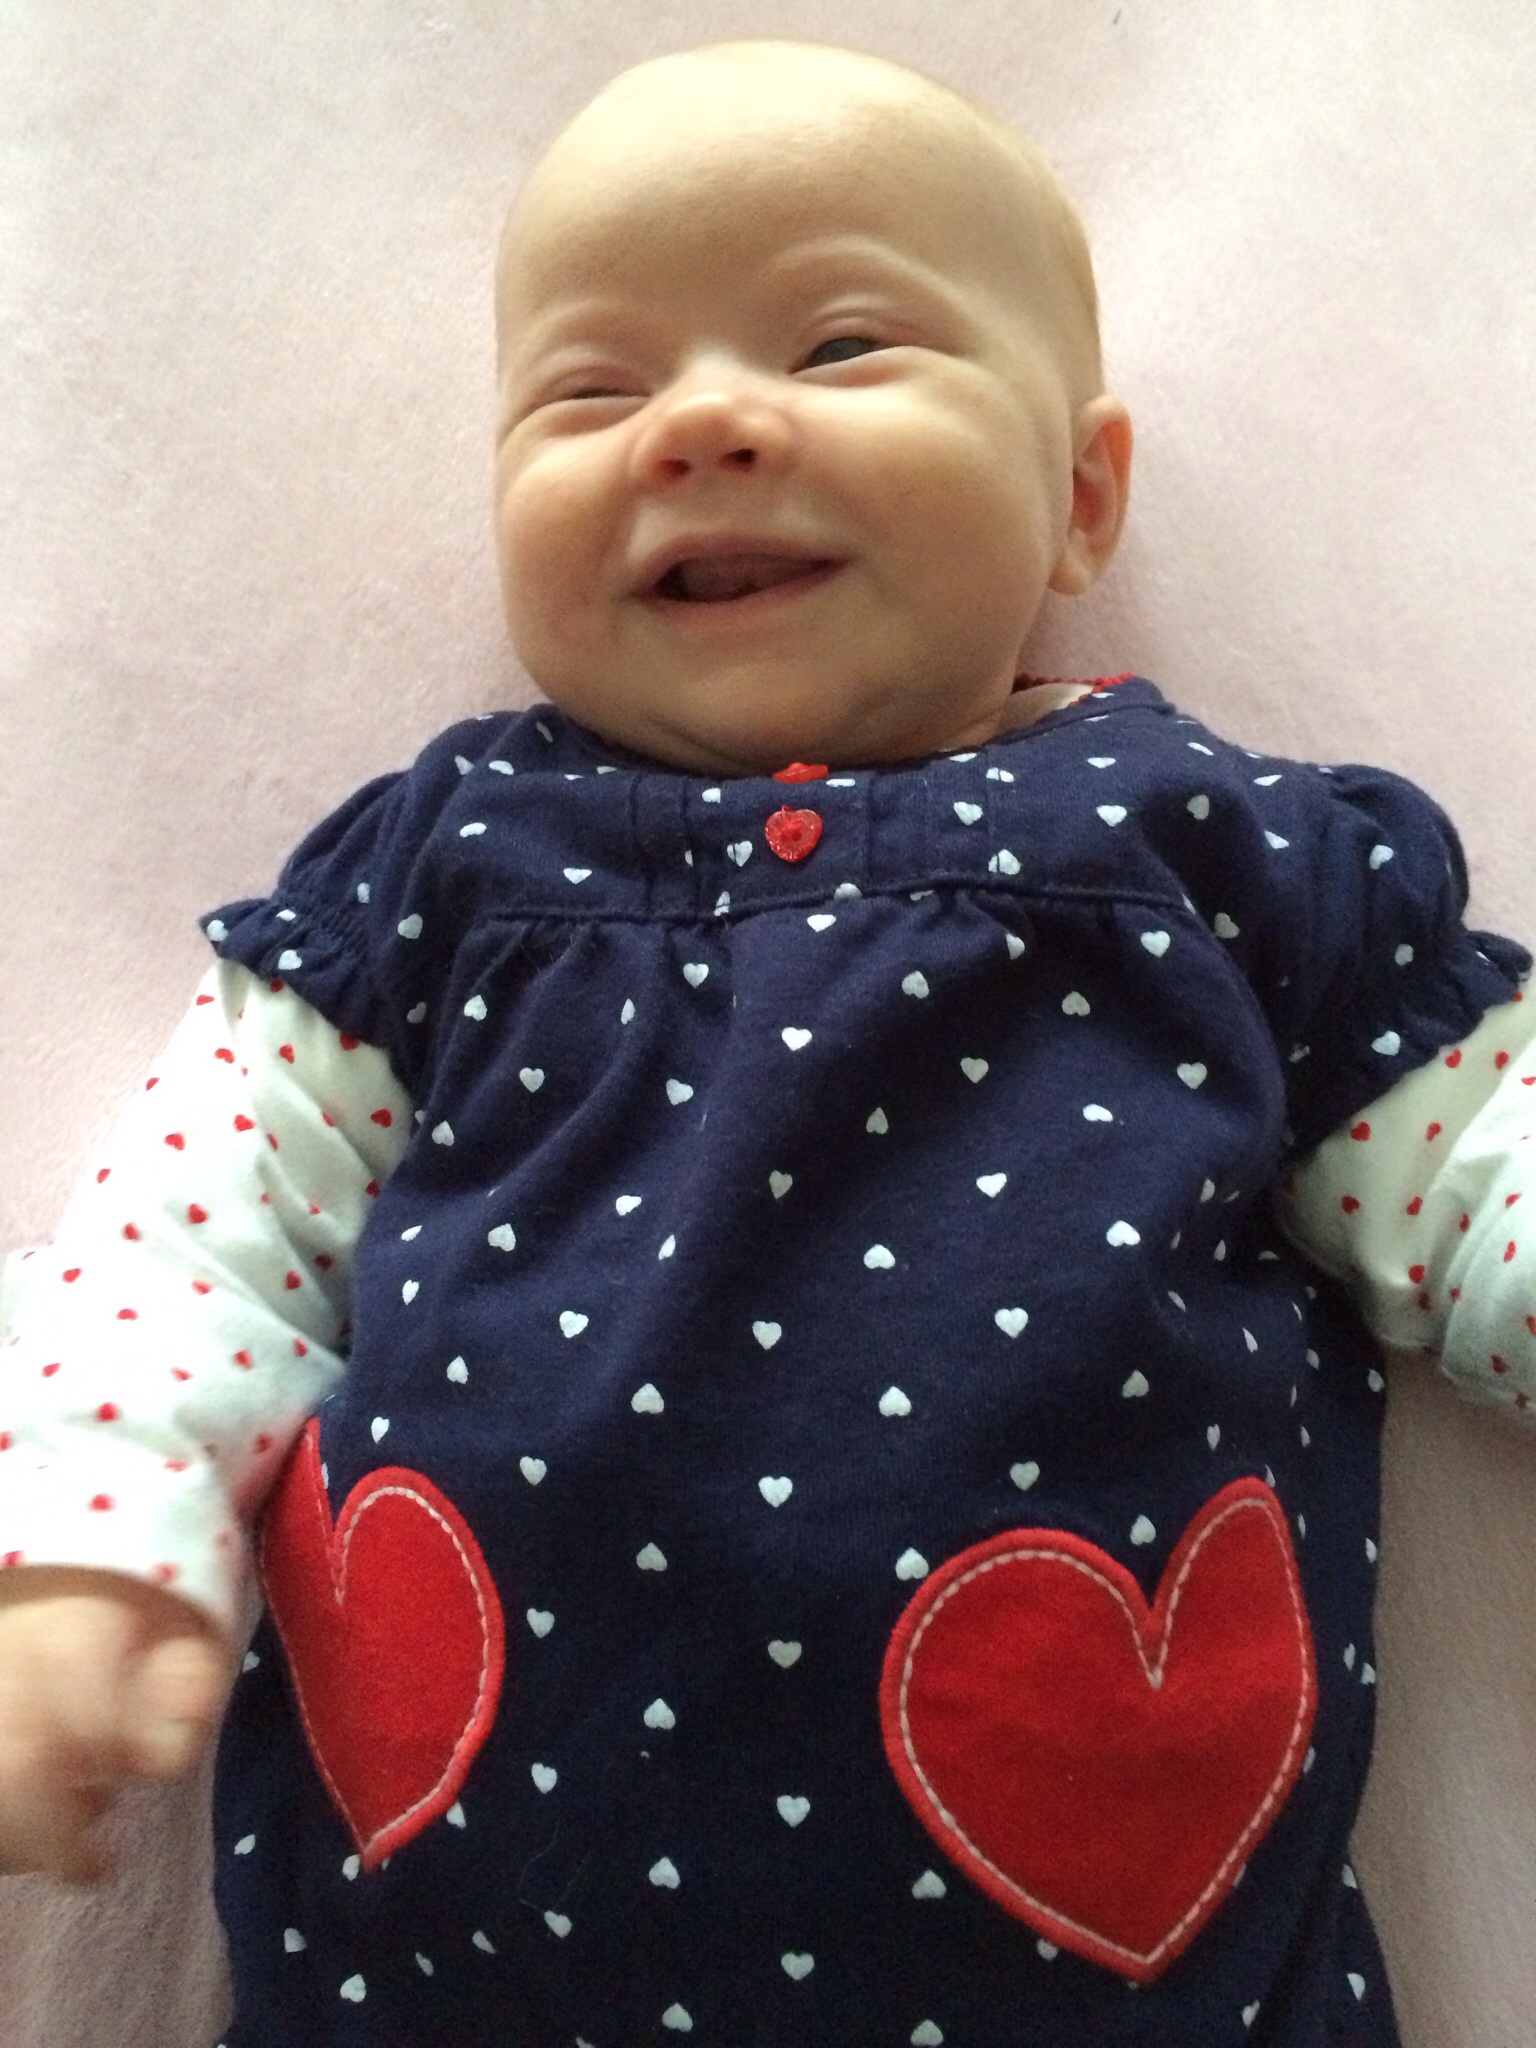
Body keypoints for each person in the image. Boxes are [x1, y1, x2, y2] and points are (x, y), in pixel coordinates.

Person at [1, 36, 1532, 2048]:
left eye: (839, 345)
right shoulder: (445, 874)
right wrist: (86, 1539)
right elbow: (190, 1235)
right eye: (590, 388)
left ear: (1079, 498)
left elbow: (1483, 1167)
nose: (702, 424)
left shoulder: (1225, 866)